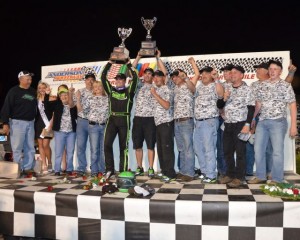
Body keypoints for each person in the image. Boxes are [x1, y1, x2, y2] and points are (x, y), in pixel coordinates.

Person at [248, 60, 297, 184]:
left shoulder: (285, 86)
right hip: (262, 122)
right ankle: (260, 176)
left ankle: (277, 178)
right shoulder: (263, 85)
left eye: (275, 69)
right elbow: (258, 103)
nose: (272, 71)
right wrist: (253, 118)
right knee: (258, 150)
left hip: (278, 122)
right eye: (270, 69)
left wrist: (293, 126)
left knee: (277, 152)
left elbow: (292, 105)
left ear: (280, 71)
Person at [217, 65, 255, 188]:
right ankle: (229, 174)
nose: (232, 75)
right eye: (231, 73)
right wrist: (225, 98)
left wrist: (247, 125)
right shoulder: (226, 88)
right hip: (228, 124)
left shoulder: (247, 89)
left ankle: (239, 177)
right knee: (227, 151)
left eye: (234, 73)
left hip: (241, 124)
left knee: (240, 152)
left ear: (241, 75)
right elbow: (219, 105)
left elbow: (251, 108)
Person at [101, 59, 138, 179]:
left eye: (121, 79)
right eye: (117, 79)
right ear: (115, 81)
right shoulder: (111, 90)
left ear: (125, 80)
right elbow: (102, 78)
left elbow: (136, 78)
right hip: (112, 119)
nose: (119, 81)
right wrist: (109, 64)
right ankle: (109, 170)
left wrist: (128, 65)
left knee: (124, 147)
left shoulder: (129, 91)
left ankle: (122, 170)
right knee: (106, 144)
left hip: (124, 119)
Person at [191, 65, 224, 183]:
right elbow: (191, 88)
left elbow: (221, 95)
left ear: (212, 74)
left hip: (209, 121)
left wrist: (217, 79)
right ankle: (205, 171)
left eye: (206, 73)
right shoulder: (199, 87)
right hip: (198, 122)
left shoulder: (216, 85)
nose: (203, 75)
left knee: (209, 148)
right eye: (202, 73)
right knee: (198, 148)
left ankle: (211, 175)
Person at [1, 70, 37, 176]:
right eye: (27, 78)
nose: (30, 80)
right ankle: (17, 168)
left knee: (30, 146)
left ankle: (28, 168)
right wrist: (5, 123)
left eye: (30, 78)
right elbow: (6, 107)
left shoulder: (33, 92)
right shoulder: (14, 91)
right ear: (20, 79)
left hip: (30, 123)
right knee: (17, 147)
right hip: (17, 123)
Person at [131, 51, 160, 177]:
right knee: (137, 145)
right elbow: (131, 70)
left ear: (153, 76)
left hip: (150, 120)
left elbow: (165, 76)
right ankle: (139, 167)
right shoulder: (138, 85)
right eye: (146, 73)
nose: (148, 75)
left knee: (150, 145)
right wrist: (138, 57)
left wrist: (157, 57)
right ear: (143, 75)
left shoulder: (156, 87)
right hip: (138, 119)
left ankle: (151, 168)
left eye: (150, 74)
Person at [170, 58, 198, 182]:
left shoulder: (188, 84)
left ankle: (190, 173)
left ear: (182, 75)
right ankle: (182, 171)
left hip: (187, 121)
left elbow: (196, 78)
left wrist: (191, 64)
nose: (175, 78)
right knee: (181, 148)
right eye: (173, 77)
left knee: (188, 147)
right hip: (176, 121)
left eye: (177, 76)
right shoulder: (174, 88)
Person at [76, 81, 109, 177]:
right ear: (93, 88)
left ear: (103, 88)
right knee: (94, 149)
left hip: (104, 126)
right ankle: (94, 170)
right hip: (93, 127)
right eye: (95, 86)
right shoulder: (90, 98)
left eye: (99, 86)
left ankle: (103, 170)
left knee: (103, 150)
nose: (97, 88)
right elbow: (81, 110)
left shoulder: (107, 99)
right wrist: (78, 99)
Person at [44, 85, 77, 176]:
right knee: (58, 151)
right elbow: (46, 106)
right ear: (59, 96)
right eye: (61, 95)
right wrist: (47, 95)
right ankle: (57, 170)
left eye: (65, 94)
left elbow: (75, 113)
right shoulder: (56, 103)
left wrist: (72, 96)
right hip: (59, 132)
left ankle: (69, 169)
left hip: (71, 132)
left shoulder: (72, 104)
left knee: (70, 152)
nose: (64, 96)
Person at [69, 73, 95, 176]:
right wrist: (71, 94)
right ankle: (81, 168)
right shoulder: (80, 91)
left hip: (94, 122)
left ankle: (95, 168)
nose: (90, 81)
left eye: (92, 79)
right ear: (85, 81)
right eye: (88, 79)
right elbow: (71, 105)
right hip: (81, 121)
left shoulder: (98, 91)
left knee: (94, 147)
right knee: (80, 146)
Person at [217, 64, 234, 178]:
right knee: (220, 146)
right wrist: (221, 110)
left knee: (232, 147)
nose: (225, 73)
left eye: (227, 71)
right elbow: (218, 101)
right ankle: (222, 171)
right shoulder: (220, 85)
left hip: (234, 120)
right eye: (224, 71)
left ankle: (230, 171)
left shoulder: (238, 85)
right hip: (220, 119)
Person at [35, 82, 55, 173]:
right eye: (40, 88)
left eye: (44, 87)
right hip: (38, 124)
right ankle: (44, 164)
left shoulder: (53, 98)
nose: (42, 89)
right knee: (40, 145)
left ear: (47, 88)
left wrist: (51, 124)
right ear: (38, 89)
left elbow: (55, 113)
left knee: (45, 145)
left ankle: (50, 161)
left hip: (48, 124)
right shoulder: (36, 100)